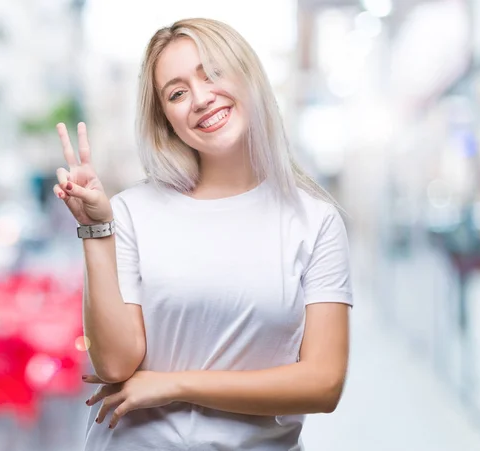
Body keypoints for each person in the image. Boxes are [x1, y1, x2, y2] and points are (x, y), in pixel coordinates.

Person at [53, 17, 353, 451]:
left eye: (211, 74)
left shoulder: (315, 221)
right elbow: (116, 363)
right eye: (176, 93)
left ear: (247, 74)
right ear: (166, 119)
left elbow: (323, 384)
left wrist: (172, 384)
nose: (199, 98)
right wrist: (96, 230)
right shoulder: (131, 212)